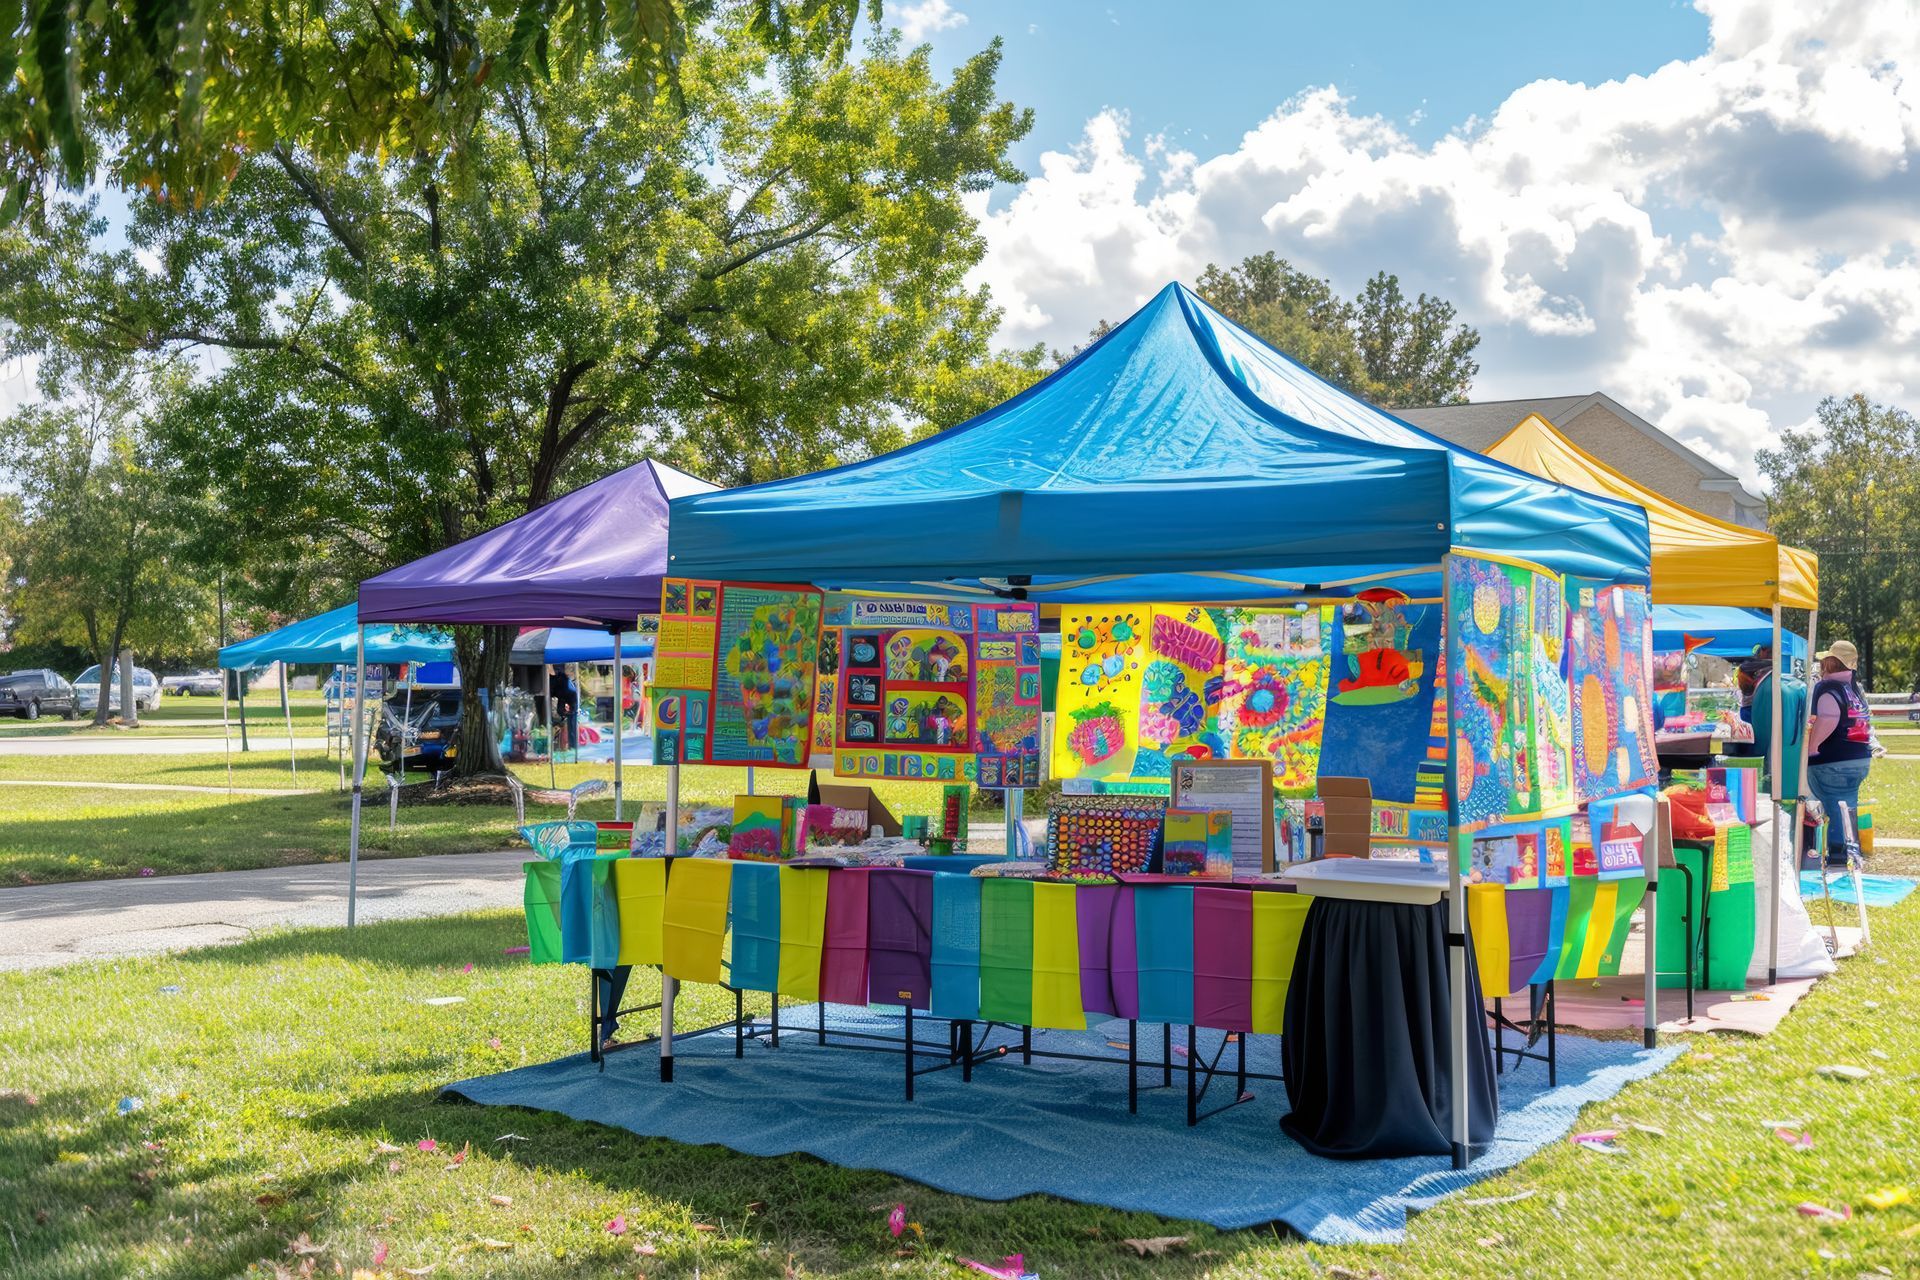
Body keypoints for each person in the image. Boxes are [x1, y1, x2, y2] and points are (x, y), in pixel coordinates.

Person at [1805, 639, 1872, 867]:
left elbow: (1828, 718)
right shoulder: (1855, 687)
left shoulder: (1827, 688)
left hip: (1833, 760)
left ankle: (1837, 859)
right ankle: (1850, 852)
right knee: (1846, 808)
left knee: (1835, 810)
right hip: (1860, 758)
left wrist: (1811, 747)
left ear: (1831, 662)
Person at [547, 665, 577, 752]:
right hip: (563, 693)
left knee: (570, 717)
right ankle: (571, 745)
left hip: (567, 694)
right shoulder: (558, 679)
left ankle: (572, 746)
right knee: (562, 713)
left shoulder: (559, 680)